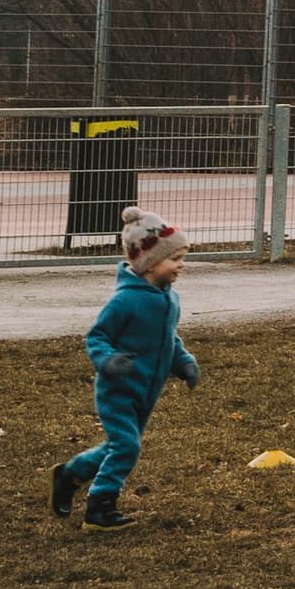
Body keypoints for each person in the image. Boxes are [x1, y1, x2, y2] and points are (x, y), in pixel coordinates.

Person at [54, 209, 202, 529]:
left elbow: (168, 339)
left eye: (182, 257)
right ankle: (100, 506)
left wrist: (184, 362)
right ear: (149, 261)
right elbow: (97, 336)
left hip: (146, 390)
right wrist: (107, 361)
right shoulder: (125, 301)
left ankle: (70, 474)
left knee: (115, 446)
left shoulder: (168, 298)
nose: (181, 265)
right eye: (173, 258)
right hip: (117, 389)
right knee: (127, 446)